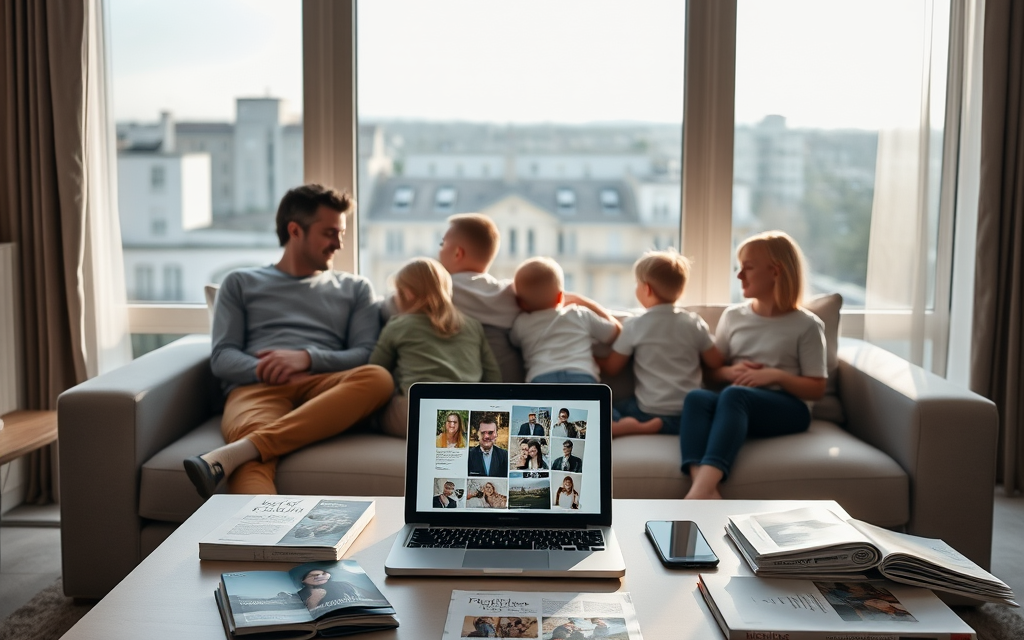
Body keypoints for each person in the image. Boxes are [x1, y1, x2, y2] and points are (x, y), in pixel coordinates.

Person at [183, 184, 393, 497]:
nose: (338, 243)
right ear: (295, 230)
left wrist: (308, 358)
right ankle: (261, 543)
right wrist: (266, 368)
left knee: (378, 378)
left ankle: (242, 449)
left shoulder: (355, 288)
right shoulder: (240, 282)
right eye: (329, 233)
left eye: (342, 233)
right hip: (257, 389)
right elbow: (223, 356)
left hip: (326, 387)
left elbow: (365, 354)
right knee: (251, 469)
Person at [679, 231, 827, 500]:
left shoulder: (806, 325)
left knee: (735, 395)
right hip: (735, 405)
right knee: (697, 397)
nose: (739, 276)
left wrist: (775, 376)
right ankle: (704, 488)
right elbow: (713, 373)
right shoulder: (734, 317)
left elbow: (816, 388)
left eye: (747, 268)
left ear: (775, 272)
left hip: (787, 408)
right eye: (739, 268)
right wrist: (729, 372)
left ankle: (696, 496)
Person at [598, 249, 724, 437]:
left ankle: (639, 427)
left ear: (646, 289)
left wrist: (587, 355)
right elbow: (716, 361)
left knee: (609, 409)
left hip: (648, 412)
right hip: (690, 414)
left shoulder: (635, 325)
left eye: (637, 283)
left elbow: (612, 367)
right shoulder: (692, 322)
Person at [370, 258, 501, 436]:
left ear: (407, 294)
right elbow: (493, 377)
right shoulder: (472, 325)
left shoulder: (398, 325)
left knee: (377, 408)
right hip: (467, 416)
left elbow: (376, 370)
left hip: (420, 414)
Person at [510, 257, 621, 383]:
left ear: (520, 303)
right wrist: (586, 303)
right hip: (581, 376)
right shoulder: (578, 314)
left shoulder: (521, 323)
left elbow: (514, 341)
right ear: (560, 297)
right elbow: (615, 332)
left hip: (541, 379)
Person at [297, 568, 363, 610]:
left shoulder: (344, 585)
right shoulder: (300, 595)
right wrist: (313, 601)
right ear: (303, 581)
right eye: (313, 575)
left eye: (323, 574)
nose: (319, 576)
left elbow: (361, 599)